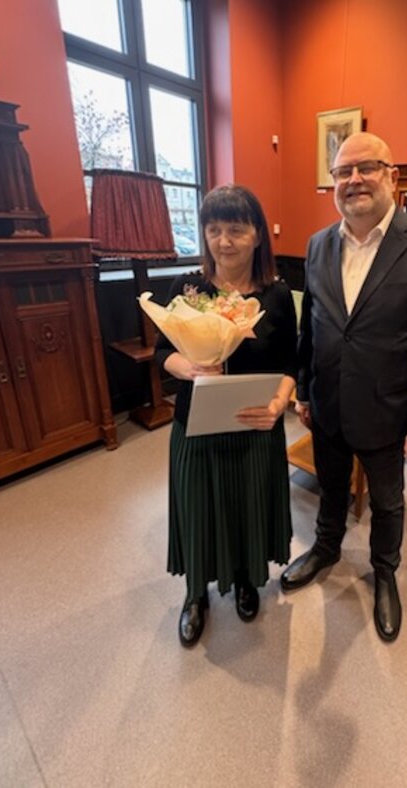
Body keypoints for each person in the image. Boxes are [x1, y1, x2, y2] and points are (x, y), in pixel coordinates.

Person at [280, 132, 407, 643]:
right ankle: (325, 549)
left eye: (367, 167)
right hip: (328, 403)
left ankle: (384, 573)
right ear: (333, 182)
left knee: (387, 501)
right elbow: (311, 328)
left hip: (386, 409)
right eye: (343, 171)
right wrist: (305, 391)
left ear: (392, 177)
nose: (354, 179)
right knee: (331, 487)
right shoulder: (318, 244)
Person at [156, 184, 298, 647]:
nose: (224, 241)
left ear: (257, 235)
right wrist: (189, 367)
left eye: (236, 229)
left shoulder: (277, 296)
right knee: (198, 508)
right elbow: (162, 353)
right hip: (196, 425)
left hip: (255, 423)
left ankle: (244, 578)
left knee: (246, 507)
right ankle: (195, 592)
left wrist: (279, 405)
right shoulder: (187, 289)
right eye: (214, 229)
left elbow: (292, 364)